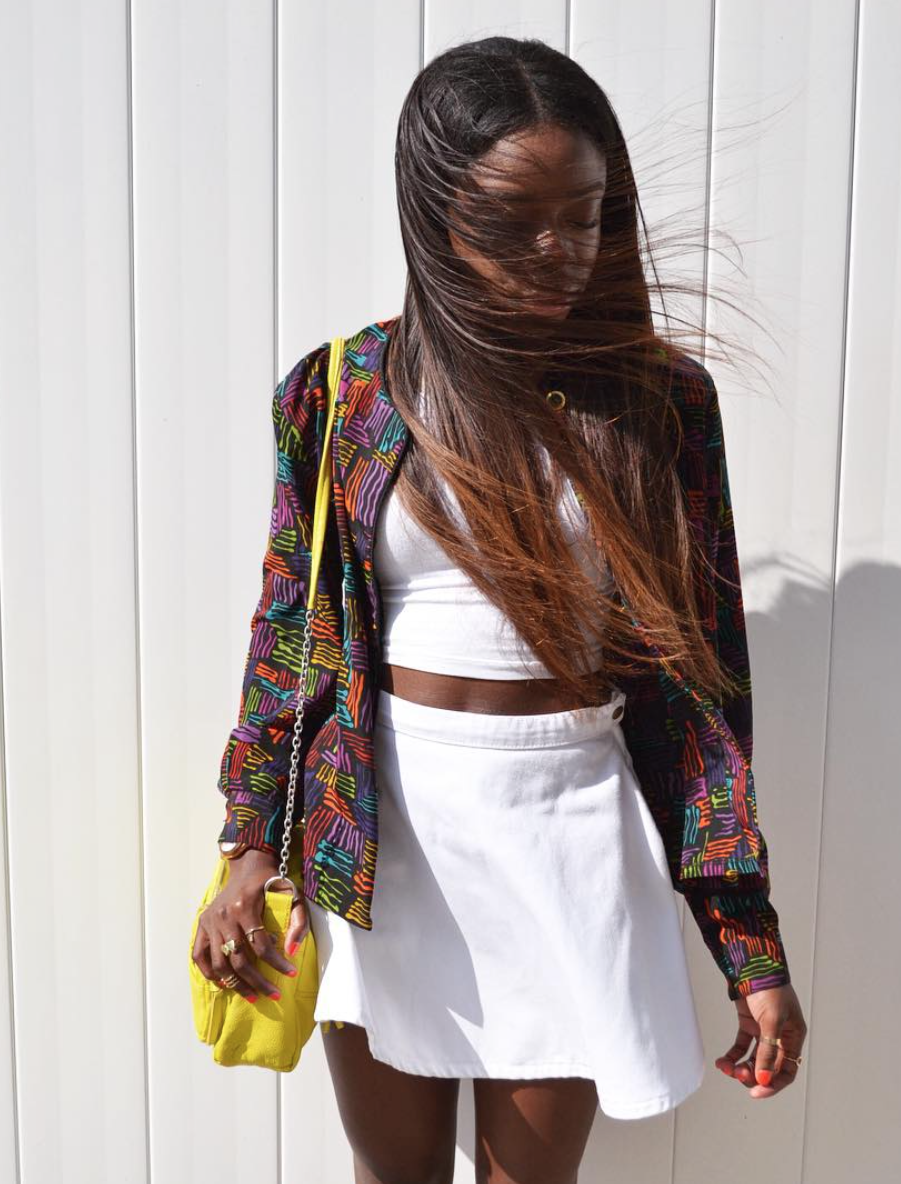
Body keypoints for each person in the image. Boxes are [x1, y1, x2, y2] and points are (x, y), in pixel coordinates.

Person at [191, 34, 807, 1183]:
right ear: (434, 215)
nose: (558, 250)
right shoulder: (342, 393)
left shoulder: (658, 402)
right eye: (514, 220)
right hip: (385, 839)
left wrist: (748, 944)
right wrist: (245, 845)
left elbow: (700, 693)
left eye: (582, 214)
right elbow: (289, 636)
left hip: (567, 832)